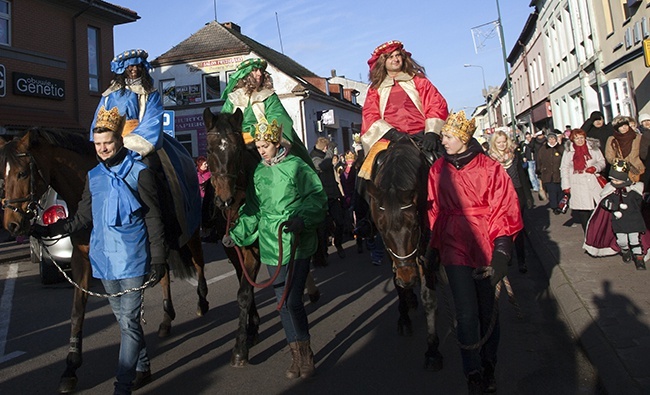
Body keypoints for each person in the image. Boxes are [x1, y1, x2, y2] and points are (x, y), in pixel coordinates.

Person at [31, 106, 167, 394]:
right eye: (98, 144)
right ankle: (142, 365)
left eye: (108, 143)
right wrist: (49, 230)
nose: (104, 149)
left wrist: (158, 259)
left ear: (119, 141)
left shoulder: (140, 173)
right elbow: (82, 218)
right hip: (105, 260)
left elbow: (153, 217)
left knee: (129, 323)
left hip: (132, 259)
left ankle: (123, 384)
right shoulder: (93, 177)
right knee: (123, 320)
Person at [427, 111, 523, 394]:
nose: (442, 140)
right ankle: (473, 371)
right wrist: (433, 248)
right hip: (453, 244)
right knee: (466, 313)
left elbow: (504, 208)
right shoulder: (436, 170)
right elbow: (434, 210)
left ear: (463, 138)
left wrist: (502, 253)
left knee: (487, 310)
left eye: (447, 136)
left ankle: (489, 363)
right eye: (443, 135)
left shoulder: (491, 168)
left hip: (485, 244)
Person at [222, 119, 327, 379]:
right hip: (271, 244)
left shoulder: (297, 167)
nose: (261, 150)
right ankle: (295, 356)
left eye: (265, 145)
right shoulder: (258, 172)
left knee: (292, 300)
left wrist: (302, 218)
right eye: (258, 146)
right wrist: (237, 233)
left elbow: (316, 197)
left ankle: (306, 352)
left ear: (277, 143)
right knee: (280, 304)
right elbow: (254, 210)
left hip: (297, 239)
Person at [92, 48, 201, 251]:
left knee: (155, 170)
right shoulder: (108, 96)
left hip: (139, 144)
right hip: (111, 144)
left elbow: (151, 122)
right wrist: (106, 144)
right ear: (122, 69)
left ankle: (166, 219)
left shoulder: (150, 94)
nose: (134, 69)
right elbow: (98, 123)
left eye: (138, 66)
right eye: (130, 66)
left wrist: (128, 147)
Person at [359, 40, 448, 180]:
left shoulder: (418, 80)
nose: (395, 59)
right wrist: (392, 134)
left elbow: (435, 103)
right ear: (383, 61)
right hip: (391, 139)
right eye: (390, 56)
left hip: (421, 136)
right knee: (368, 169)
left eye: (398, 55)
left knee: (442, 164)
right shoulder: (375, 88)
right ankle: (359, 201)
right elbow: (370, 114)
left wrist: (431, 133)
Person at [221, 58, 313, 170]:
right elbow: (223, 123)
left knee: (292, 167)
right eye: (255, 70)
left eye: (261, 71)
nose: (259, 74)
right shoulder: (233, 99)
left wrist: (266, 139)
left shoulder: (268, 96)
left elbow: (278, 118)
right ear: (245, 74)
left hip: (263, 143)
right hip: (237, 144)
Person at [584, 160, 647, 270]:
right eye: (612, 179)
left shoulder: (634, 190)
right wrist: (613, 206)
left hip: (634, 221)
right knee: (622, 240)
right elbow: (604, 202)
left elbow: (639, 203)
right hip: (619, 222)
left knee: (635, 240)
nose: (614, 182)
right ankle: (625, 250)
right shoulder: (611, 190)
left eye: (616, 180)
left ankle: (639, 258)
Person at [488, 131, 533, 273]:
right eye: (498, 142)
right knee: (503, 229)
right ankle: (507, 256)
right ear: (494, 143)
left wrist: (528, 196)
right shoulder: (489, 159)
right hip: (500, 197)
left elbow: (522, 177)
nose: (501, 145)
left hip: (517, 193)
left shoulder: (515, 156)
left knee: (518, 229)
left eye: (503, 141)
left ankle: (522, 260)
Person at [559, 129, 606, 231]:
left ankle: (597, 235)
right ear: (572, 140)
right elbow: (564, 168)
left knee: (597, 210)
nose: (580, 140)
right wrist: (566, 186)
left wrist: (596, 167)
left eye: (581, 138)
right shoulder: (569, 152)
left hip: (593, 182)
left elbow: (602, 161)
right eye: (577, 138)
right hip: (577, 184)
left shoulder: (594, 149)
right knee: (583, 212)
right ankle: (588, 236)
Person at [310, 137, 346, 261]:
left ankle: (338, 243)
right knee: (322, 228)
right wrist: (330, 151)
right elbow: (323, 165)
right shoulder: (314, 157)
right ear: (325, 148)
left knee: (340, 221)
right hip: (321, 199)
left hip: (333, 196)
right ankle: (323, 253)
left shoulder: (323, 156)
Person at [605, 115, 645, 183]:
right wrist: (617, 162)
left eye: (626, 125)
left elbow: (644, 152)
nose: (624, 128)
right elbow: (609, 155)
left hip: (638, 169)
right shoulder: (612, 139)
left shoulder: (637, 137)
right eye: (621, 126)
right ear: (617, 128)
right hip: (621, 170)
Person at [536, 131, 565, 213]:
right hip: (547, 174)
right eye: (550, 139)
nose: (551, 140)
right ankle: (554, 207)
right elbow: (539, 160)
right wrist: (539, 171)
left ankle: (560, 205)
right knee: (552, 191)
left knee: (560, 191)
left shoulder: (560, 148)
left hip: (558, 173)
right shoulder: (543, 149)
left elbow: (565, 159)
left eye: (553, 138)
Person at [521, 132, 541, 196]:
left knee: (537, 174)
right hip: (529, 161)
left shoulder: (534, 142)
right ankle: (535, 187)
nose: (528, 139)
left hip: (536, 160)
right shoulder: (525, 144)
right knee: (531, 175)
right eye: (527, 138)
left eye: (529, 137)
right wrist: (524, 157)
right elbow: (523, 152)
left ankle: (540, 186)